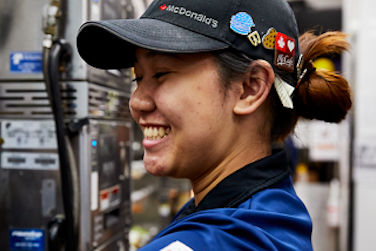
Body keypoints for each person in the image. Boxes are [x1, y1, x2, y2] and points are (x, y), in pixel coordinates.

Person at [77, 0, 352, 250]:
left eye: (161, 73)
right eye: (138, 78)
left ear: (250, 88)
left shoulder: (221, 239)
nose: (136, 102)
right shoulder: (273, 209)